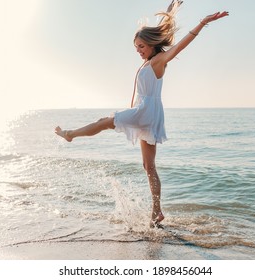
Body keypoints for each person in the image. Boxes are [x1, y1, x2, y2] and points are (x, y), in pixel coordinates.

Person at [55, 1, 228, 228]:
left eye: (141, 47)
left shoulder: (158, 60)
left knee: (105, 121)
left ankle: (70, 134)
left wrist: (203, 23)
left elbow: (182, 44)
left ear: (152, 45)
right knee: (149, 167)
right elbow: (160, 30)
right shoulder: (151, 61)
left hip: (146, 111)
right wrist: (169, 12)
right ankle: (156, 211)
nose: (138, 51)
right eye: (136, 47)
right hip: (151, 113)